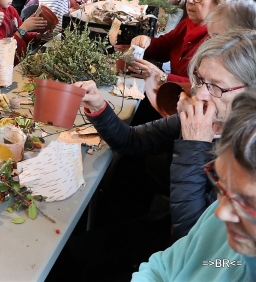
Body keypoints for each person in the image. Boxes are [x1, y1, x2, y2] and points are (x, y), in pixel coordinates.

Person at [76, 30, 256, 240]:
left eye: (215, 87)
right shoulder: (210, 115)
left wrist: (194, 145)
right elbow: (132, 141)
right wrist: (99, 107)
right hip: (173, 225)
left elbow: (192, 238)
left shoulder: (247, 156)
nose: (200, 94)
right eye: (200, 80)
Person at [132, 87, 256, 281]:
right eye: (222, 186)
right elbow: (167, 265)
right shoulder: (224, 225)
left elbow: (186, 228)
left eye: (248, 202)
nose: (220, 213)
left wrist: (193, 148)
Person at [130, 0, 238, 89]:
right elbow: (167, 46)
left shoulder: (221, 41)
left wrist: (162, 77)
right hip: (172, 96)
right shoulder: (189, 23)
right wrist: (147, 42)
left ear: (219, 1)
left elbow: (206, 88)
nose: (190, 1)